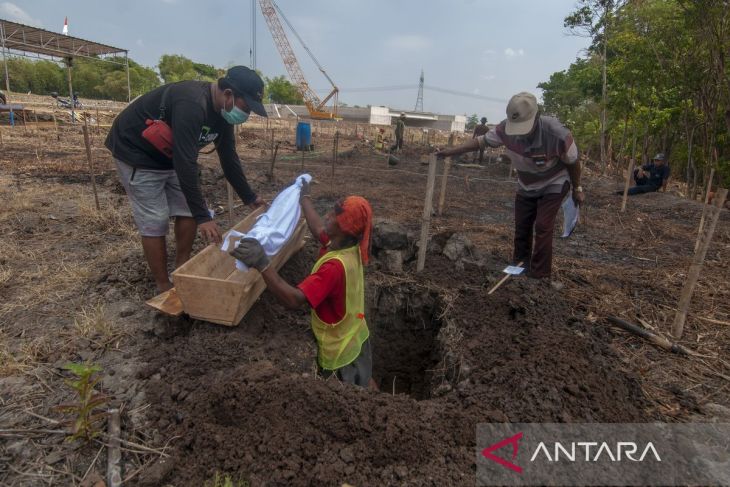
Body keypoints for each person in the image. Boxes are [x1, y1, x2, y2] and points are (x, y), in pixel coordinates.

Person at [105, 65, 267, 293]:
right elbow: (185, 163)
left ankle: (181, 269)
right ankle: (163, 285)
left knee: (189, 209)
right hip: (137, 153)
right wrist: (204, 217)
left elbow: (228, 157)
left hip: (171, 155)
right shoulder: (191, 104)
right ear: (229, 94)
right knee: (155, 219)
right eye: (246, 107)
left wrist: (249, 197)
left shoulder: (223, 114)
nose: (247, 114)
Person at [230, 181, 376, 389]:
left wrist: (262, 263)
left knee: (351, 390)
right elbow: (318, 229)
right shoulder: (348, 247)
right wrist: (303, 196)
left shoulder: (333, 268)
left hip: (340, 351)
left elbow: (294, 299)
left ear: (343, 229)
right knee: (365, 376)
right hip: (357, 336)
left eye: (335, 215)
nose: (327, 216)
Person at [436, 92, 582, 279]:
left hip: (554, 182)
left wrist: (577, 189)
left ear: (536, 117)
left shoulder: (557, 134)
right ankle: (519, 266)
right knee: (522, 225)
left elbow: (573, 162)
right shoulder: (504, 130)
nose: (520, 132)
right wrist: (449, 152)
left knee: (543, 225)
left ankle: (539, 275)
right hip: (526, 184)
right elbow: (479, 142)